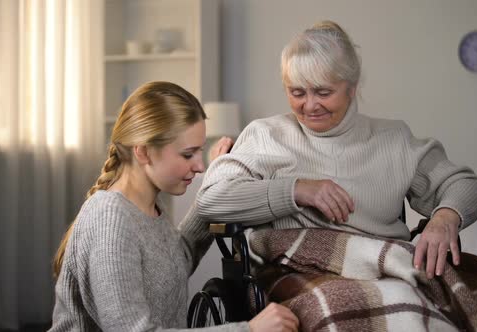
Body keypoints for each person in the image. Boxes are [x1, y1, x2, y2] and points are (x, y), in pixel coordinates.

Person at [196, 21, 477, 280]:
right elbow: (209, 200)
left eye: (323, 92)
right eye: (297, 92)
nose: (310, 106)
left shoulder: (393, 138)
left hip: (384, 272)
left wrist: (445, 217)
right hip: (298, 277)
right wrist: (296, 190)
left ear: (351, 88)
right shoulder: (265, 134)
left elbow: (467, 184)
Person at [49, 81, 300, 332]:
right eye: (187, 154)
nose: (200, 166)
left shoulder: (148, 209)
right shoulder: (111, 218)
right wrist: (249, 330)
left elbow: (175, 264)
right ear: (144, 152)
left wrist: (215, 182)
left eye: (199, 152)